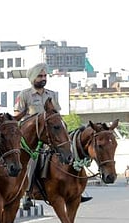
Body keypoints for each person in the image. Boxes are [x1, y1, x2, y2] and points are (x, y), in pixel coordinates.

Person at [13, 63, 89, 206]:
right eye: (40, 76)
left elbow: (57, 116)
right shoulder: (24, 95)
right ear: (33, 78)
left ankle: (78, 189)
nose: (43, 78)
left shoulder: (51, 95)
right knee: (32, 160)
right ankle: (27, 194)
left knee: (71, 152)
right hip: (33, 139)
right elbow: (18, 118)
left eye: (44, 76)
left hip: (51, 136)